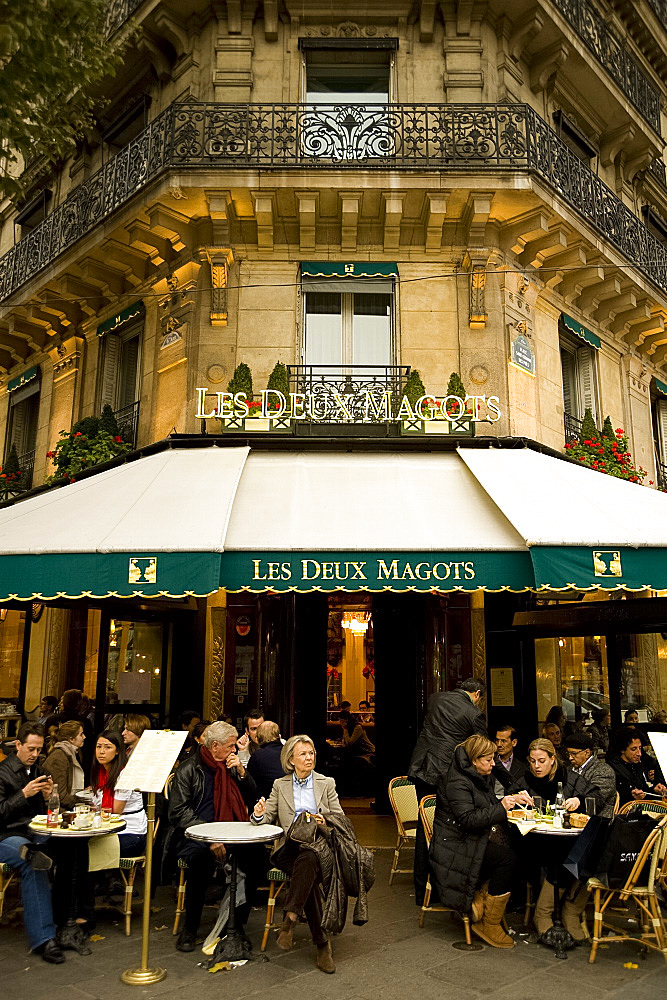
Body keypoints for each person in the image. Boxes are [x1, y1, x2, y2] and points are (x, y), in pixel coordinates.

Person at [251, 734, 344, 973]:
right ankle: (321, 944)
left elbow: (340, 819)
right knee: (307, 862)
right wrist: (259, 813)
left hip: (317, 847)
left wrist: (326, 821)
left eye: (311, 753)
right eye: (303, 754)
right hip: (287, 849)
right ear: (291, 760)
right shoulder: (280, 785)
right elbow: (265, 818)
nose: (309, 758)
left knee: (310, 861)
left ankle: (292, 917)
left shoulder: (326, 783)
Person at [429, 735, 531, 948]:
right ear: (474, 760)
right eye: (489, 760)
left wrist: (513, 799)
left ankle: (481, 900)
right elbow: (468, 820)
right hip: (455, 845)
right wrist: (502, 806)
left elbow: (488, 806)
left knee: (520, 850)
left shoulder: (477, 776)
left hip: (470, 839)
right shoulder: (457, 781)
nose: (493, 764)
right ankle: (489, 922)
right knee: (507, 859)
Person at [167, 720, 260, 952]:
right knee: (199, 862)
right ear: (215, 745)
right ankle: (190, 928)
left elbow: (252, 797)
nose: (234, 750)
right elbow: (178, 812)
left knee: (256, 859)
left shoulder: (230, 766)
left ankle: (237, 924)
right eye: (230, 746)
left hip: (232, 831)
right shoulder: (189, 769)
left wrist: (241, 772)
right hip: (196, 835)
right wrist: (209, 837)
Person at [408, 678, 487, 905]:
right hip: (445, 775)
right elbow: (482, 748)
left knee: (425, 828)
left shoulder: (435, 699)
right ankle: (445, 890)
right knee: (446, 830)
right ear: (477, 694)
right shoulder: (474, 713)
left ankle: (422, 890)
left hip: (421, 768)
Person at [510, 738, 589, 939]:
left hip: (566, 838)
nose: (537, 766)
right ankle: (544, 913)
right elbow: (509, 807)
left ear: (553, 759)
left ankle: (570, 910)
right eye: (533, 761)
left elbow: (595, 797)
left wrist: (578, 800)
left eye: (542, 761)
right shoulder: (524, 780)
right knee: (562, 853)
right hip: (533, 841)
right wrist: (517, 801)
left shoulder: (569, 778)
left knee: (588, 852)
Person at [0, 723, 64, 963]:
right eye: (31, 749)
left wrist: (49, 798)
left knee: (69, 845)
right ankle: (45, 938)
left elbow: (43, 815)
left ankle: (72, 921)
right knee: (33, 859)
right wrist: (23, 795)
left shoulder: (37, 771)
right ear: (17, 745)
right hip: (5, 837)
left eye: (39, 749)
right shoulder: (2, 772)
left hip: (33, 833)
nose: (35, 754)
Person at [91, 730, 147, 856]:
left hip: (131, 832)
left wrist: (94, 809)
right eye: (98, 747)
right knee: (75, 845)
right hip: (106, 830)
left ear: (117, 751)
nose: (101, 751)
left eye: (108, 747)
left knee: (90, 849)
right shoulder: (101, 773)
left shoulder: (125, 774)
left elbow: (116, 809)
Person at [607, 727, 667, 805]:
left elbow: (644, 790)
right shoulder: (612, 769)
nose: (639, 753)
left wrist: (654, 790)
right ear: (622, 749)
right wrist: (631, 796)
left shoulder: (637, 765)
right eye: (633, 749)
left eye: (640, 748)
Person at [563, 731, 617, 817]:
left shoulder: (603, 771)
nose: (570, 758)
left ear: (587, 753)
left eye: (574, 754)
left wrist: (577, 800)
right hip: (569, 816)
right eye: (568, 754)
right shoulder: (568, 769)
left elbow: (597, 798)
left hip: (598, 818)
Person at [44, 689, 94, 780]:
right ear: (79, 703)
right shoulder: (84, 722)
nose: (84, 737)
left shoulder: (52, 719)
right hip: (80, 764)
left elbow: (46, 742)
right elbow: (89, 748)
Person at [44, 721, 86, 808]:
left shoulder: (72, 753)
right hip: (59, 810)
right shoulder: (59, 757)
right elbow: (61, 796)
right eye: (81, 734)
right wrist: (84, 803)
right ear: (71, 739)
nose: (84, 737)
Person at [246, 721, 285, 800]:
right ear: (278, 735)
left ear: (259, 737)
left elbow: (249, 782)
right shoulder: (289, 752)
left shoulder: (257, 755)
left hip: (267, 801)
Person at [493, 725, 526, 798]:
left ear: (514, 742)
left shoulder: (522, 767)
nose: (499, 745)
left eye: (503, 741)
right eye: (497, 740)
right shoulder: (489, 762)